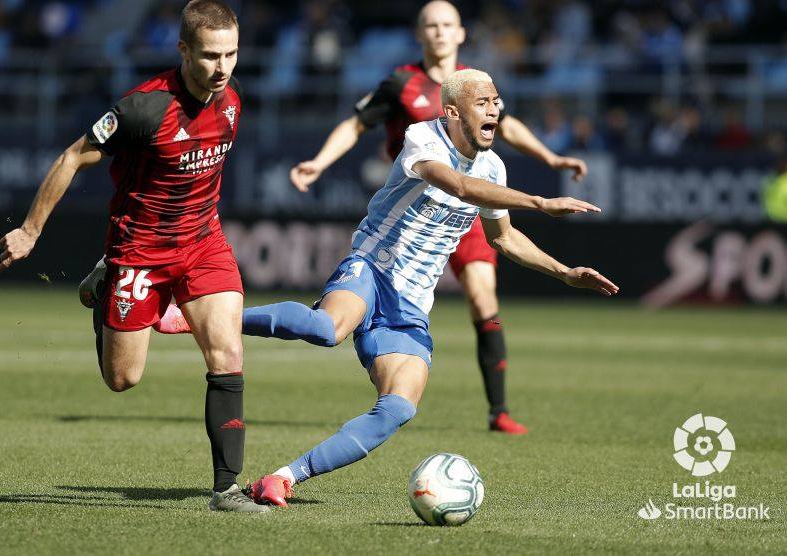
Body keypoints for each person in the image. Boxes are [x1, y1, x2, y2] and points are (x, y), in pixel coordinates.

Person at [241, 69, 618, 506]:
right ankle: (206, 318)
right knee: (327, 329)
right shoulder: (423, 138)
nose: (495, 108)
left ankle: (283, 478)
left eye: (497, 100)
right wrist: (539, 201)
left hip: (411, 305)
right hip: (373, 267)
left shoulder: (493, 167)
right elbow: (457, 184)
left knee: (398, 409)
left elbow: (504, 239)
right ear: (453, 111)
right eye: (483, 102)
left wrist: (565, 271)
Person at [0, 0, 267, 513]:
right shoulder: (143, 108)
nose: (222, 67)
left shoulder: (231, 101)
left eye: (231, 54)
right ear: (184, 49)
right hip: (139, 252)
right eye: (210, 55)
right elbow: (73, 155)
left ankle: (226, 490)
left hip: (204, 244)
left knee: (227, 356)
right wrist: (31, 231)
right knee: (123, 379)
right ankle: (104, 289)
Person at [287, 0, 589, 434]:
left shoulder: (473, 86)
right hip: (412, 215)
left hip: (464, 213)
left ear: (461, 33)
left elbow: (509, 126)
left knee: (485, 300)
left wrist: (550, 157)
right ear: (420, 33)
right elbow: (356, 125)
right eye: (431, 25)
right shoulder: (401, 83)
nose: (440, 32)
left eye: (447, 24)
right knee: (361, 315)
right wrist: (319, 161)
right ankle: (387, 382)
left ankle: (498, 409)